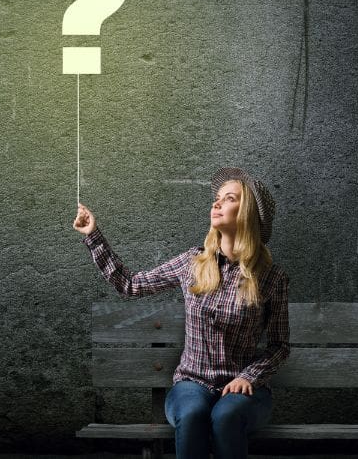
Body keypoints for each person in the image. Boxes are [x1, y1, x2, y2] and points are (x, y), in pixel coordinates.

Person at [72, 166, 290, 459]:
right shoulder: (192, 263)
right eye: (217, 197)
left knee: (226, 417)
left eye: (229, 198)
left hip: (243, 389)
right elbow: (131, 284)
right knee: (192, 414)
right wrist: (93, 236)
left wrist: (249, 377)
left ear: (249, 213)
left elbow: (279, 346)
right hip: (192, 384)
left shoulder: (271, 278)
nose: (217, 203)